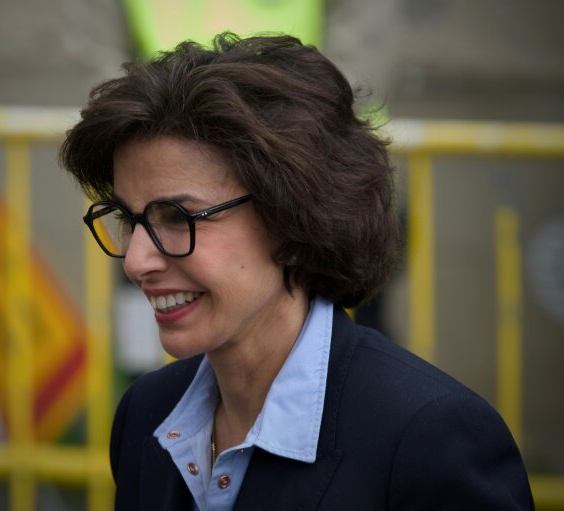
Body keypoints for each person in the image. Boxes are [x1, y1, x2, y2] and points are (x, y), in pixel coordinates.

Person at [60, 33, 533, 510]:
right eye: (128, 219)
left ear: (290, 219)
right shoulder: (147, 413)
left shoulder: (429, 438)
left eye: (178, 218)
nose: (137, 261)